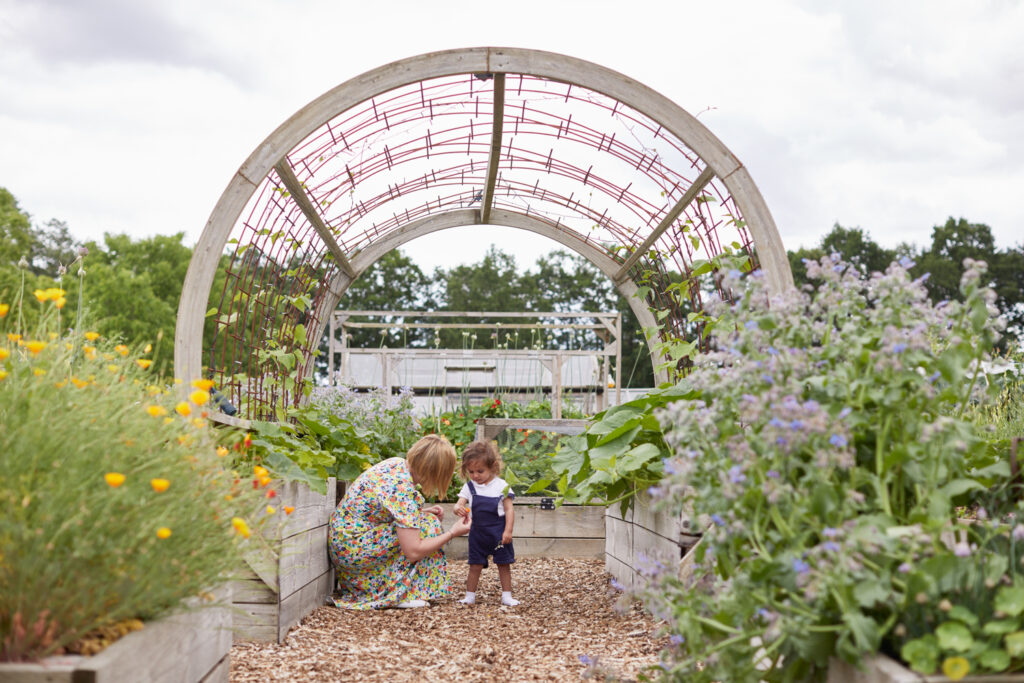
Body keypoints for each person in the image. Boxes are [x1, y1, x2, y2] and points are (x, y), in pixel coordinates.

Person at [327, 433, 471, 609]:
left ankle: (394, 588)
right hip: (353, 550)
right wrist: (452, 533)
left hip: (345, 542)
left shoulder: (395, 465)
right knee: (428, 526)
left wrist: (422, 512)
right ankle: (398, 595)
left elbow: (383, 511)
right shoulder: (403, 492)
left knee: (426, 520)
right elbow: (413, 551)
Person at [453, 440, 520, 606]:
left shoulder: (502, 486)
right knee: (474, 565)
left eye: (480, 471)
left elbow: (509, 510)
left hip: (498, 533)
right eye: (471, 472)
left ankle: (506, 596)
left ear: (493, 466)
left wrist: (508, 531)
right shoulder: (470, 487)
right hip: (477, 534)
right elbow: (459, 503)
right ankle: (469, 596)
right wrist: (458, 508)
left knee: (503, 564)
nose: (476, 475)